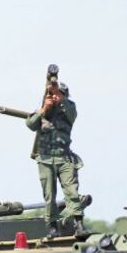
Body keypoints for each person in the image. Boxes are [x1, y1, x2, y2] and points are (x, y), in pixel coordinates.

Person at [25, 81, 86, 238]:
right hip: (45, 159)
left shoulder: (69, 108)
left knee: (72, 191)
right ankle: (52, 226)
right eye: (52, 94)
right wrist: (44, 109)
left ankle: (79, 223)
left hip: (64, 157)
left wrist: (58, 95)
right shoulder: (43, 110)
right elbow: (30, 124)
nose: (55, 97)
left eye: (59, 94)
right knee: (49, 195)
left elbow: (71, 113)